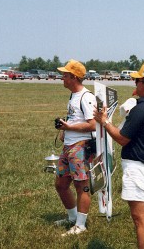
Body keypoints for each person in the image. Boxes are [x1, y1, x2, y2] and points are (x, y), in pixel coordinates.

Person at [94, 62, 144, 249]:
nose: (135, 83)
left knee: (140, 219)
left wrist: (104, 122)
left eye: (137, 80)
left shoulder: (141, 109)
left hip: (138, 170)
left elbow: (122, 138)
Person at [54, 59, 97, 236]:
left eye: (64, 75)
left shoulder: (86, 97)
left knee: (82, 186)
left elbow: (93, 125)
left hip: (81, 147)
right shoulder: (73, 95)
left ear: (73, 77)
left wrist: (69, 128)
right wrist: (66, 128)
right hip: (69, 145)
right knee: (61, 184)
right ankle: (72, 217)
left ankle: (81, 225)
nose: (61, 78)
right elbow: (76, 118)